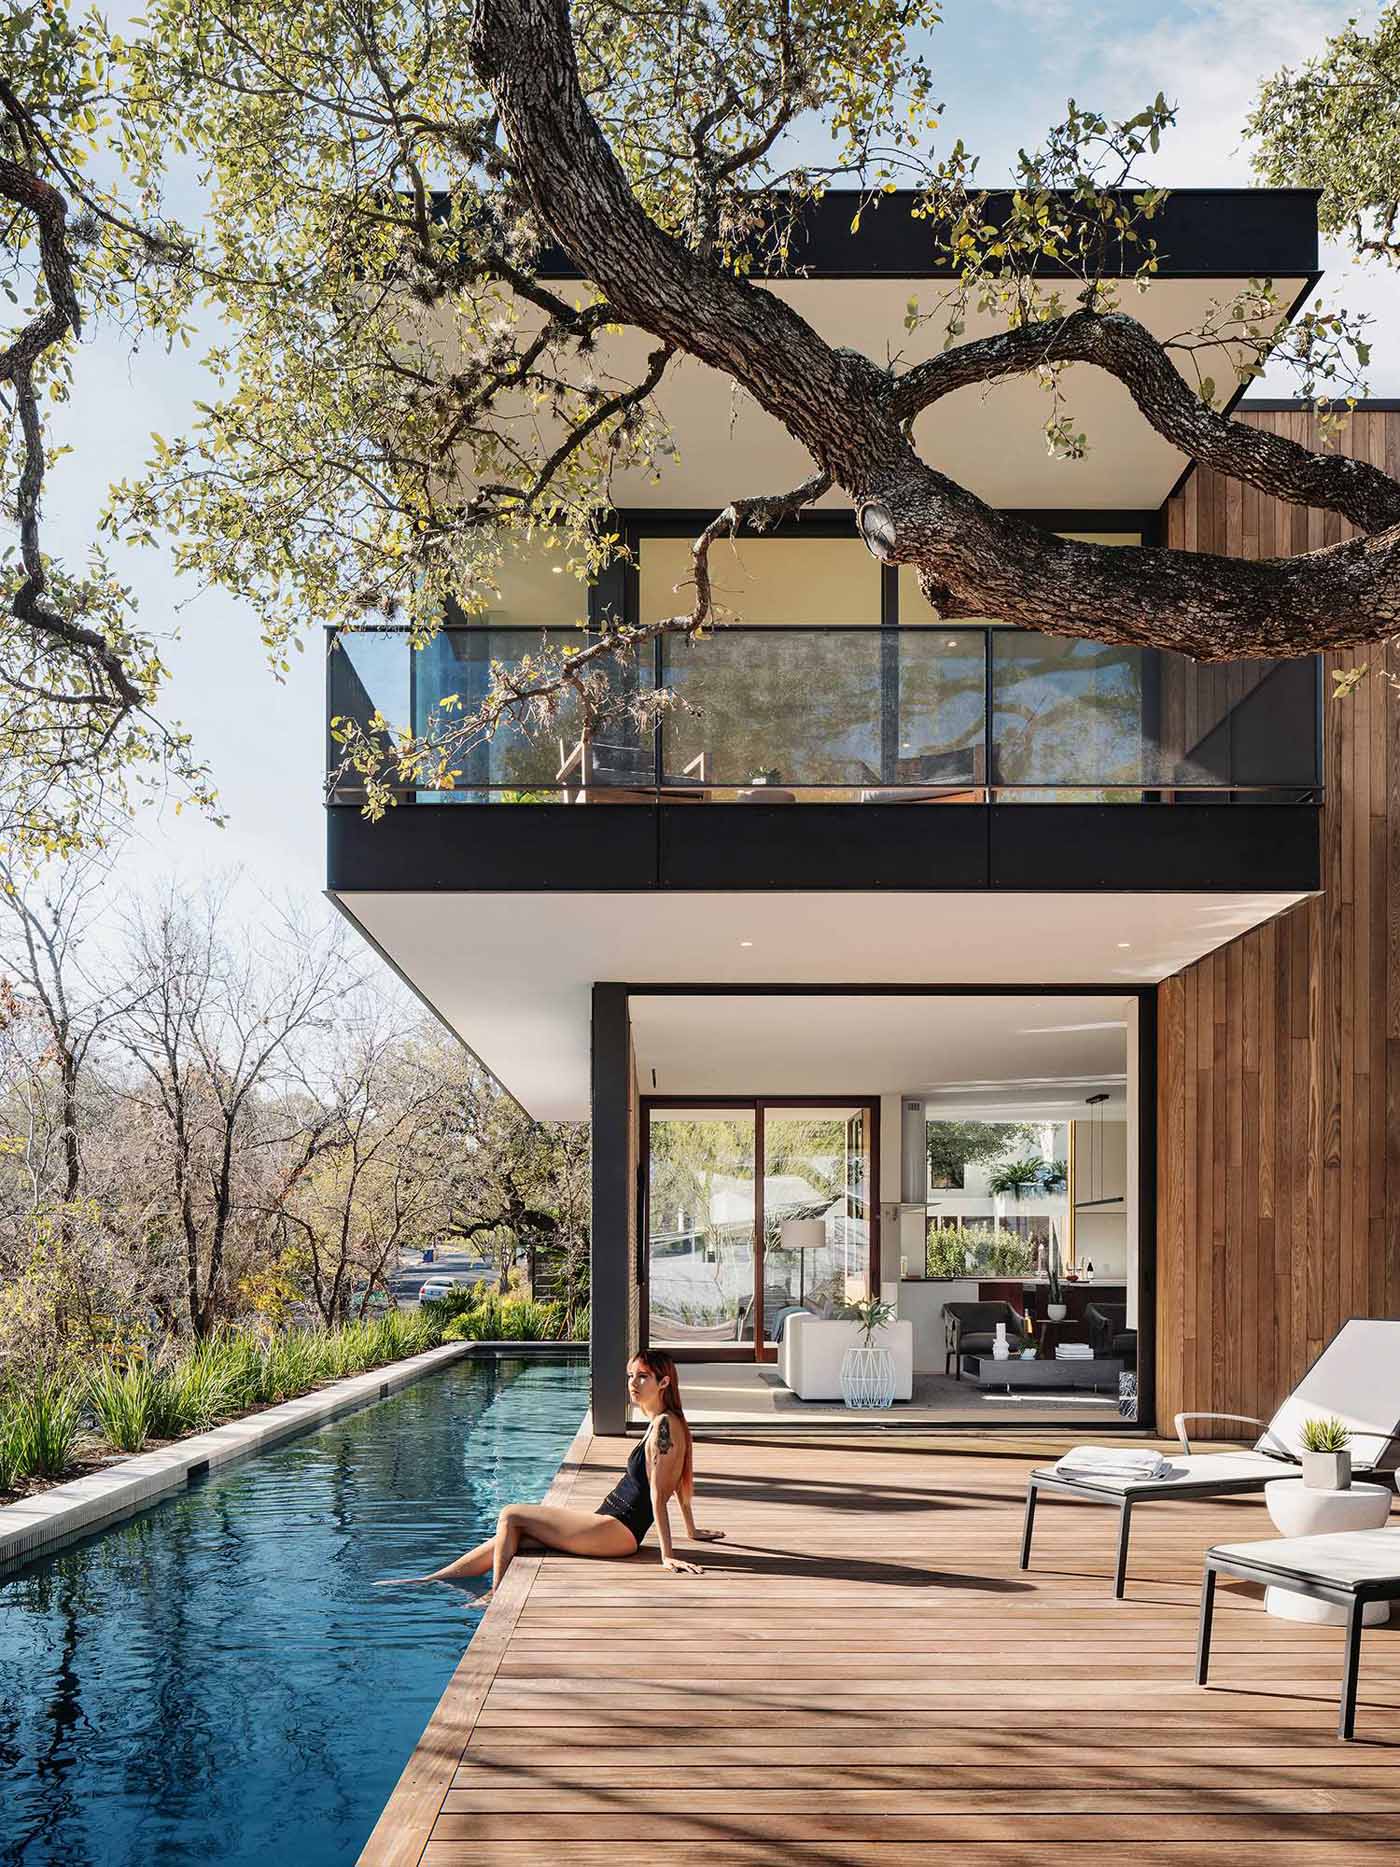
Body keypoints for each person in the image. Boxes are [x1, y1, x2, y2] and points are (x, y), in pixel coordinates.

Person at [379, 1349, 722, 1596]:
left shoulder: (664, 1426)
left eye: (642, 1377)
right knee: (516, 1538)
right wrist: (691, 1531)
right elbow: (681, 1481)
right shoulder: (668, 1422)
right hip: (610, 1524)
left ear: (663, 1382)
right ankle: (433, 1578)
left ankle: (495, 1597)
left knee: (510, 1514)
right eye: (630, 1375)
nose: (632, 1383)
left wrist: (668, 1555)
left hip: (618, 1531)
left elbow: (659, 1493)